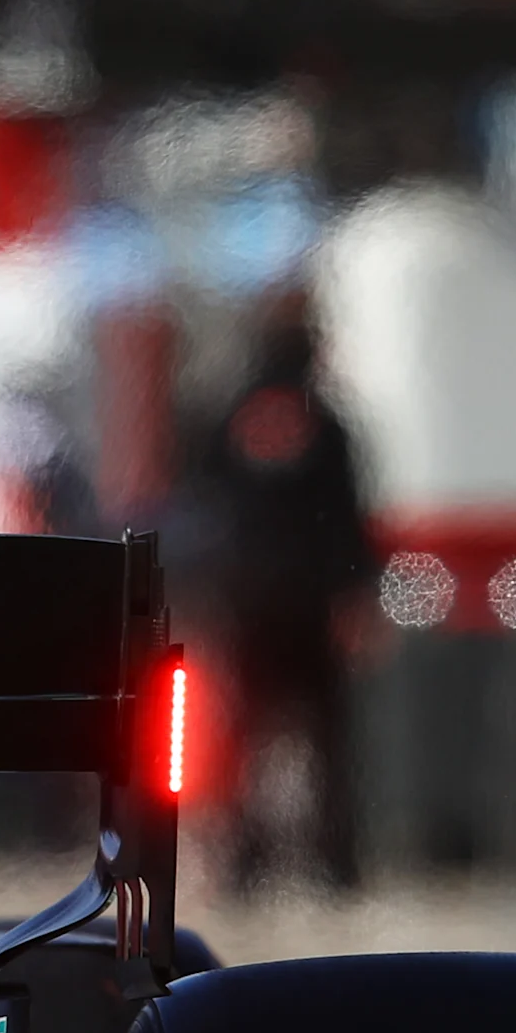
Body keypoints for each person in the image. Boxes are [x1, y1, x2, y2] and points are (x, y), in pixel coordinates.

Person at [187, 295, 375, 892]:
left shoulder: (228, 415)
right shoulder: (329, 423)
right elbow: (349, 519)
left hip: (246, 604)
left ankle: (245, 861)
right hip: (311, 606)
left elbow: (206, 510)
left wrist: (209, 594)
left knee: (240, 740)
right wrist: (356, 596)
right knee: (326, 742)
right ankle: (335, 863)